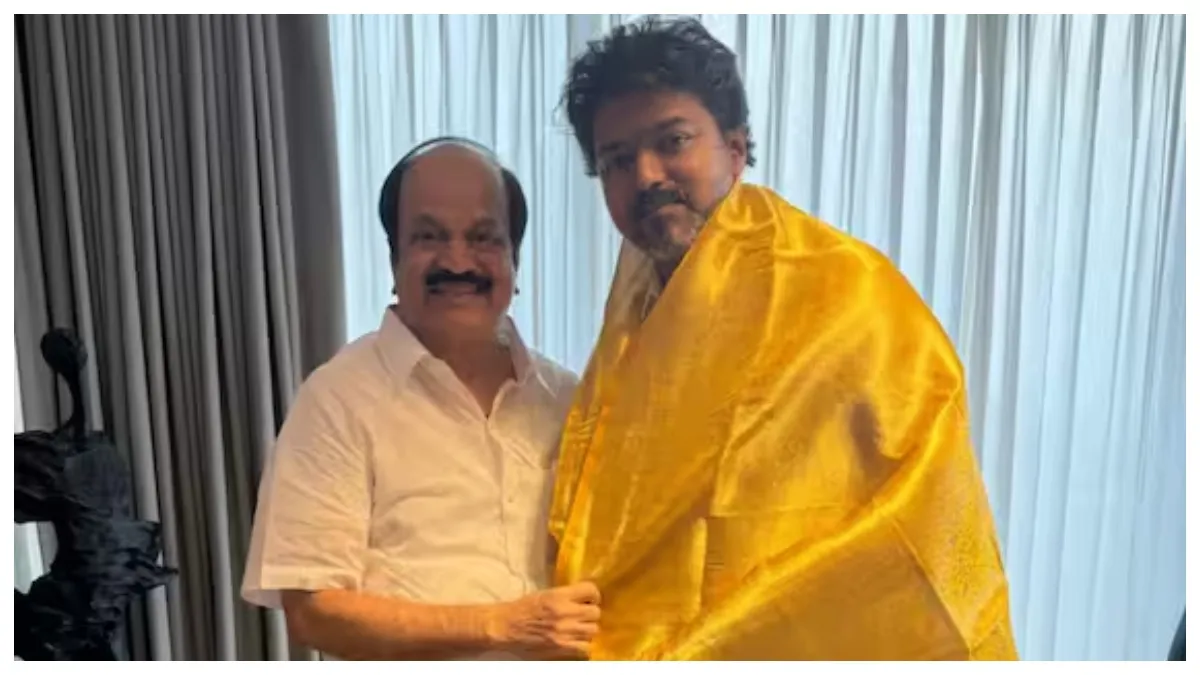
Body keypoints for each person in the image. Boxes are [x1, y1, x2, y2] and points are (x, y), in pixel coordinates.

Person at [548, 18, 1018, 660]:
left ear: (736, 148)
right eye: (617, 161)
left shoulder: (845, 289)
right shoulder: (632, 310)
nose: (647, 175)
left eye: (673, 141)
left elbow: (926, 511)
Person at [242, 138, 601, 660]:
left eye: (484, 238)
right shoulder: (336, 399)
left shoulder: (569, 400)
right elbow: (314, 611)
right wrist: (501, 625)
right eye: (429, 237)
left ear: (515, 260)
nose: (458, 260)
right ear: (394, 259)